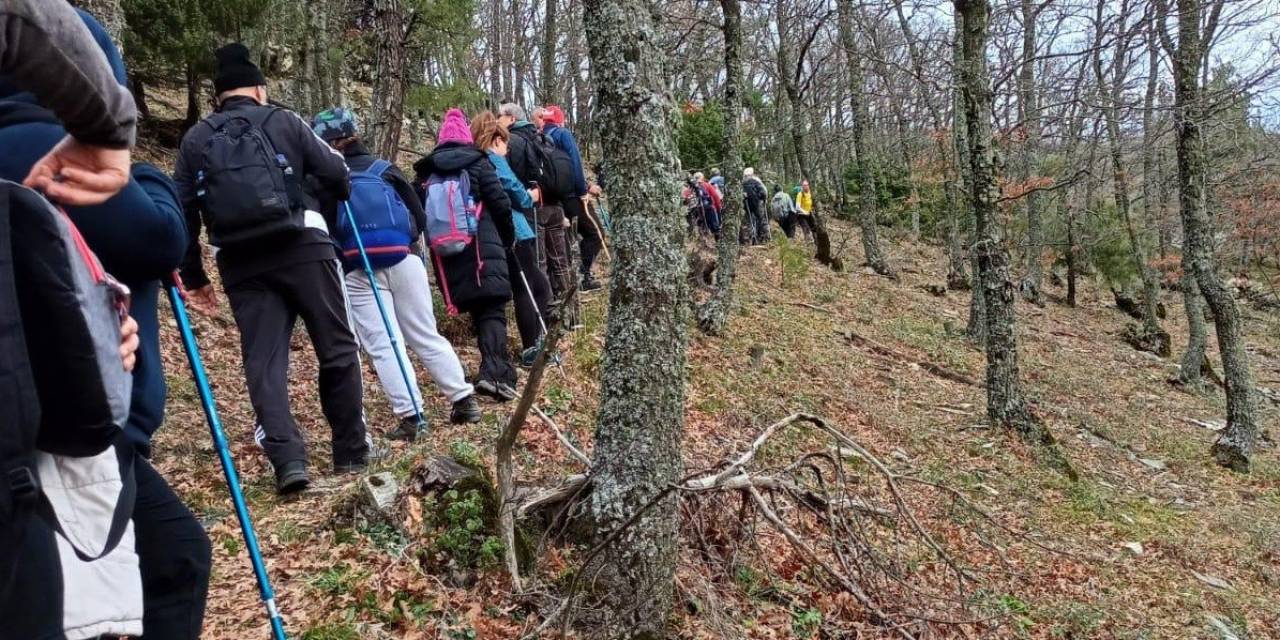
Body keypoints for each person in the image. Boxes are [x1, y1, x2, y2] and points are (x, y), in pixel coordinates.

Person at [0, 10, 213, 638]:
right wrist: (146, 170)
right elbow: (156, 238)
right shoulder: (45, 145)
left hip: (52, 421)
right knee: (166, 564)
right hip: (63, 437)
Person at [174, 43, 375, 495]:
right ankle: (350, 450)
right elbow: (338, 174)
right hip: (304, 244)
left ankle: (288, 461)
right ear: (260, 89)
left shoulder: (196, 139)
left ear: (218, 95)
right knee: (337, 347)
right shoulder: (284, 119)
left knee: (264, 362)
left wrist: (194, 276)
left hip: (240, 262)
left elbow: (182, 209)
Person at [311, 108, 482, 440]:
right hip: (406, 260)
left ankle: (412, 417)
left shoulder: (326, 180)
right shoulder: (386, 170)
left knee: (383, 343)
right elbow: (417, 217)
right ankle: (464, 399)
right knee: (424, 334)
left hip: (360, 269)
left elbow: (328, 231)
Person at [414, 108, 520, 401]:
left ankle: (492, 370)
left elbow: (416, 211)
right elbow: (500, 203)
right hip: (483, 249)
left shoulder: (427, 172)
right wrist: (508, 239)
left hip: (449, 258)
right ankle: (495, 374)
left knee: (479, 311)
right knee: (492, 312)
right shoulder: (479, 163)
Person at [473, 111, 555, 366]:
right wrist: (529, 196)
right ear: (496, 139)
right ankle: (532, 347)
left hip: (499, 233)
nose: (508, 149)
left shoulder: (475, 160)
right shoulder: (492, 160)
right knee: (531, 287)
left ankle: (533, 344)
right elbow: (513, 189)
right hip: (514, 231)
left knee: (533, 285)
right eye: (506, 143)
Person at [501, 103, 572, 303]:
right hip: (555, 204)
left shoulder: (511, 141)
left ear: (512, 119)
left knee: (538, 262)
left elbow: (510, 178)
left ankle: (545, 310)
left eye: (501, 116)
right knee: (560, 259)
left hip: (532, 207)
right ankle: (569, 310)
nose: (498, 120)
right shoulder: (544, 137)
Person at [539, 105, 605, 291]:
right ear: (561, 120)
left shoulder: (538, 137)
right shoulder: (563, 135)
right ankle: (584, 276)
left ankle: (561, 281)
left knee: (563, 238)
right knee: (595, 233)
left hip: (550, 198)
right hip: (571, 195)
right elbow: (574, 162)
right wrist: (582, 190)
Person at [742, 167, 769, 245]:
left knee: (749, 221)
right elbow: (764, 192)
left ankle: (750, 239)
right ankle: (764, 237)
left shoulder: (742, 183)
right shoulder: (757, 181)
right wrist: (764, 199)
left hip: (747, 205)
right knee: (761, 220)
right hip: (758, 203)